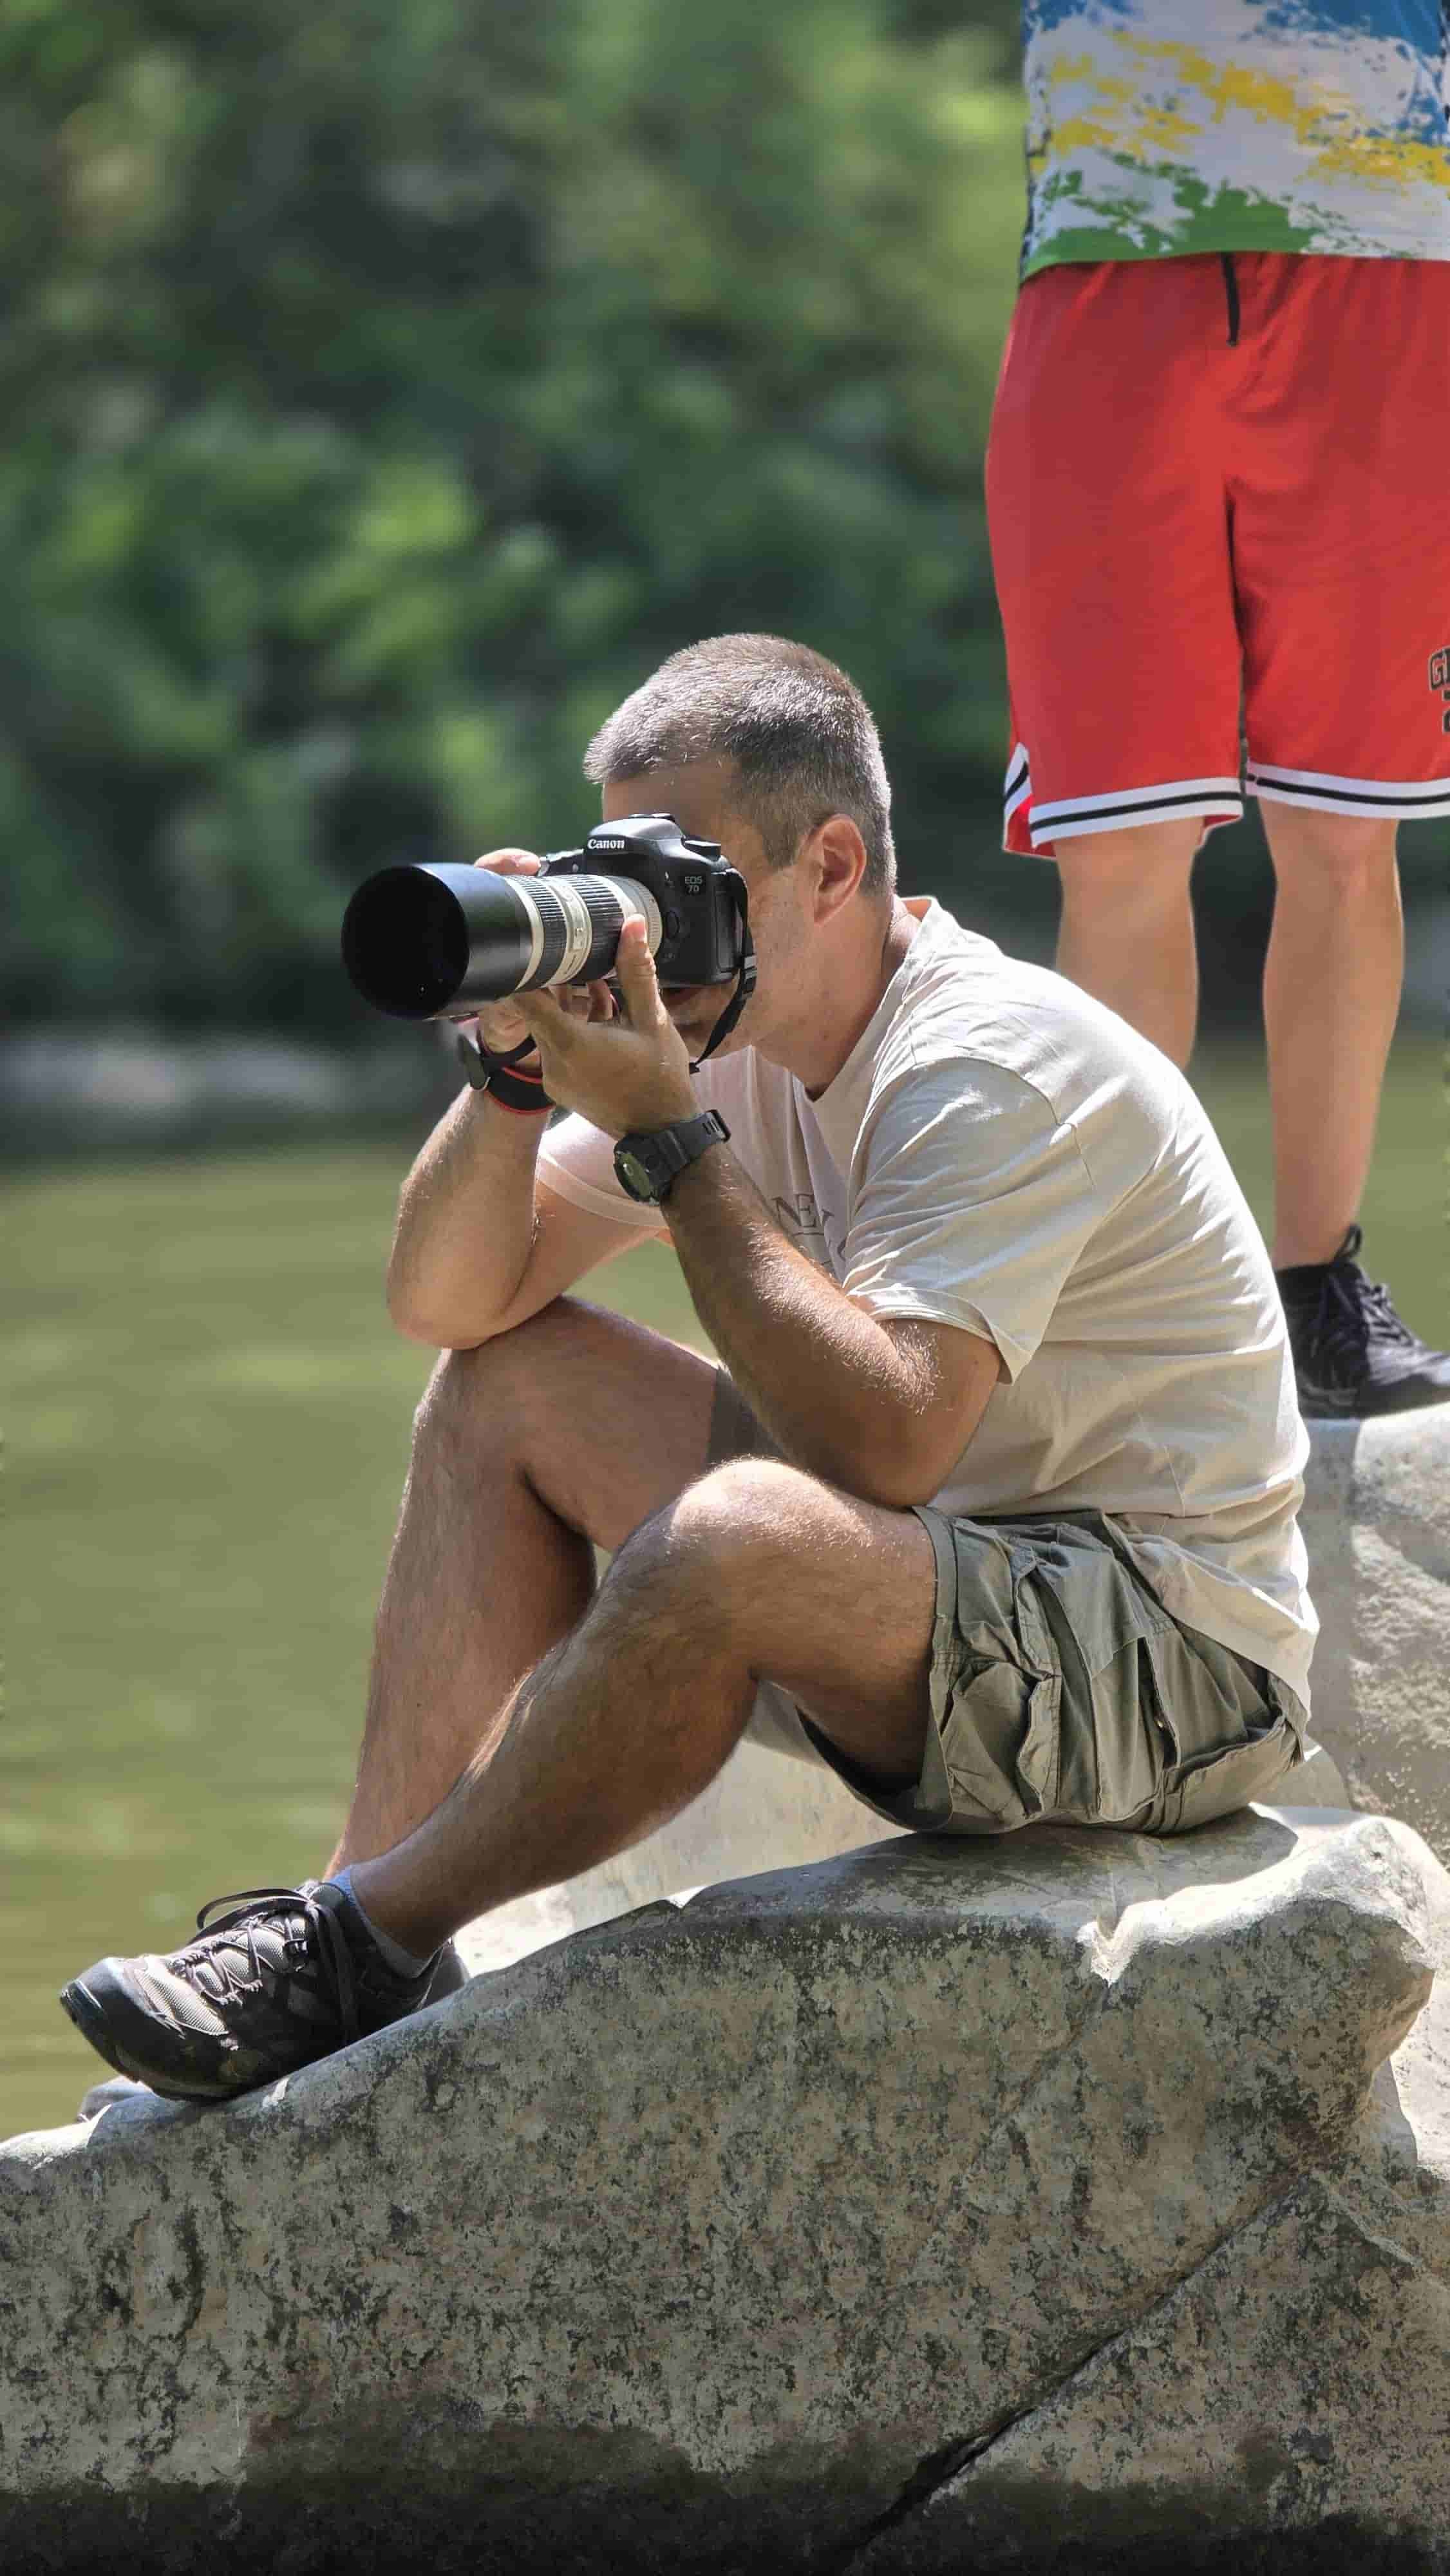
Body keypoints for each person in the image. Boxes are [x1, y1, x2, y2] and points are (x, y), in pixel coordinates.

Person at [62, 635, 1316, 2108]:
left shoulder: (984, 1063)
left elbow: (885, 1450)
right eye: (619, 879)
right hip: (935, 1595)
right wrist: (511, 1075)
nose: (643, 938)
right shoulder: (734, 1044)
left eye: (684, 886)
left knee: (737, 1533)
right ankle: (348, 1932)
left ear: (830, 865)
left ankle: (373, 1925)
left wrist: (669, 1135)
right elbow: (449, 1302)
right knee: (514, 1378)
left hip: (1168, 1666)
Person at [988, 0, 1450, 1417]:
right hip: (1112, 260)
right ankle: (1125, 1301)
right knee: (1121, 842)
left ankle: (1316, 1289)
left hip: (1387, 256)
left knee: (1344, 828)